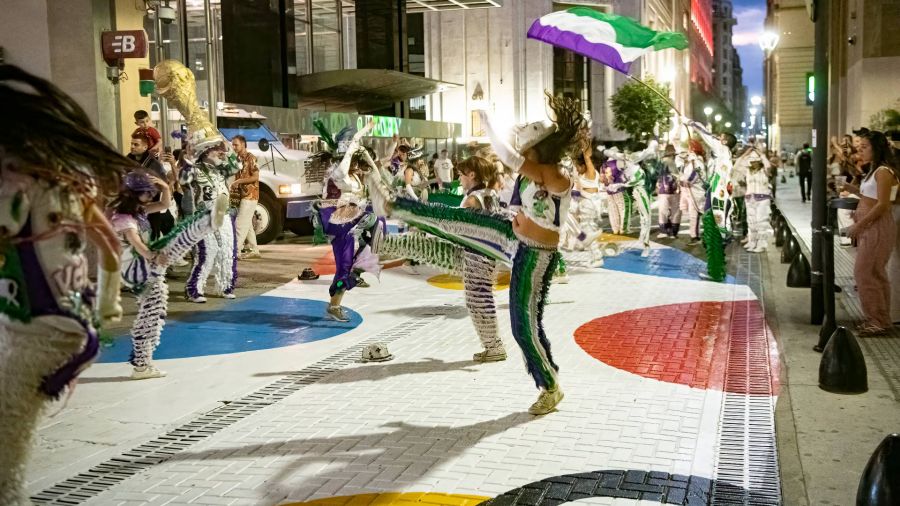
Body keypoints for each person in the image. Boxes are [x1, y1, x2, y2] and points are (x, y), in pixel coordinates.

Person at [390, 92, 588, 415]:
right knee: (461, 222)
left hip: (536, 256)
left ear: (539, 150)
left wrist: (487, 123)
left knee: (523, 326)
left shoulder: (556, 175)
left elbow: (512, 161)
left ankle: (550, 386)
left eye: (528, 150)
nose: (524, 155)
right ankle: (401, 208)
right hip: (518, 244)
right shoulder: (531, 176)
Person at [0, 64, 129, 505]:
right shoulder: (62, 176)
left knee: (4, 461)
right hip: (62, 323)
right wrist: (108, 304)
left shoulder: (14, 182)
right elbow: (110, 247)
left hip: (40, 330)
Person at [110, 172, 229, 379]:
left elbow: (164, 204)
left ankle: (142, 365)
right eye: (147, 194)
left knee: (151, 313)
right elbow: (134, 240)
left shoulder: (137, 211)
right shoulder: (124, 218)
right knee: (174, 246)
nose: (150, 197)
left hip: (140, 264)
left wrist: (165, 187)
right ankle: (206, 222)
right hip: (136, 266)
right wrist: (151, 255)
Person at [842, 131, 899, 335]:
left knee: (865, 272)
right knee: (874, 272)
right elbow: (870, 197)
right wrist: (853, 189)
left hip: (877, 227)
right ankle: (881, 319)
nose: (860, 150)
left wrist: (859, 225)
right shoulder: (874, 171)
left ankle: (877, 320)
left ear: (877, 148)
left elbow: (883, 204)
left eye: (865, 146)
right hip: (871, 226)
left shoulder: (883, 172)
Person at [127, 131, 175, 241]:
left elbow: (163, 186)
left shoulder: (155, 165)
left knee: (152, 240)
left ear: (145, 147)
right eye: (132, 144)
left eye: (136, 144)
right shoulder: (126, 161)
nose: (132, 147)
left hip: (151, 209)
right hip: (131, 208)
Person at [230, 135, 261, 259]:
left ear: (243, 144)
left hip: (250, 195)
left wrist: (239, 182)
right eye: (233, 144)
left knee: (240, 224)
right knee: (246, 224)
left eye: (236, 144)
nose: (234, 147)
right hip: (242, 196)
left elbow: (256, 177)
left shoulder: (251, 158)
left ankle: (235, 251)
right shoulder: (237, 159)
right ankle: (254, 249)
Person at [656, 144, 681, 238]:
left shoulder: (661, 161)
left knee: (663, 210)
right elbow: (677, 175)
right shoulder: (671, 162)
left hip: (663, 189)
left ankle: (664, 231)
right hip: (674, 189)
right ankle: (673, 232)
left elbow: (657, 175)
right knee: (675, 211)